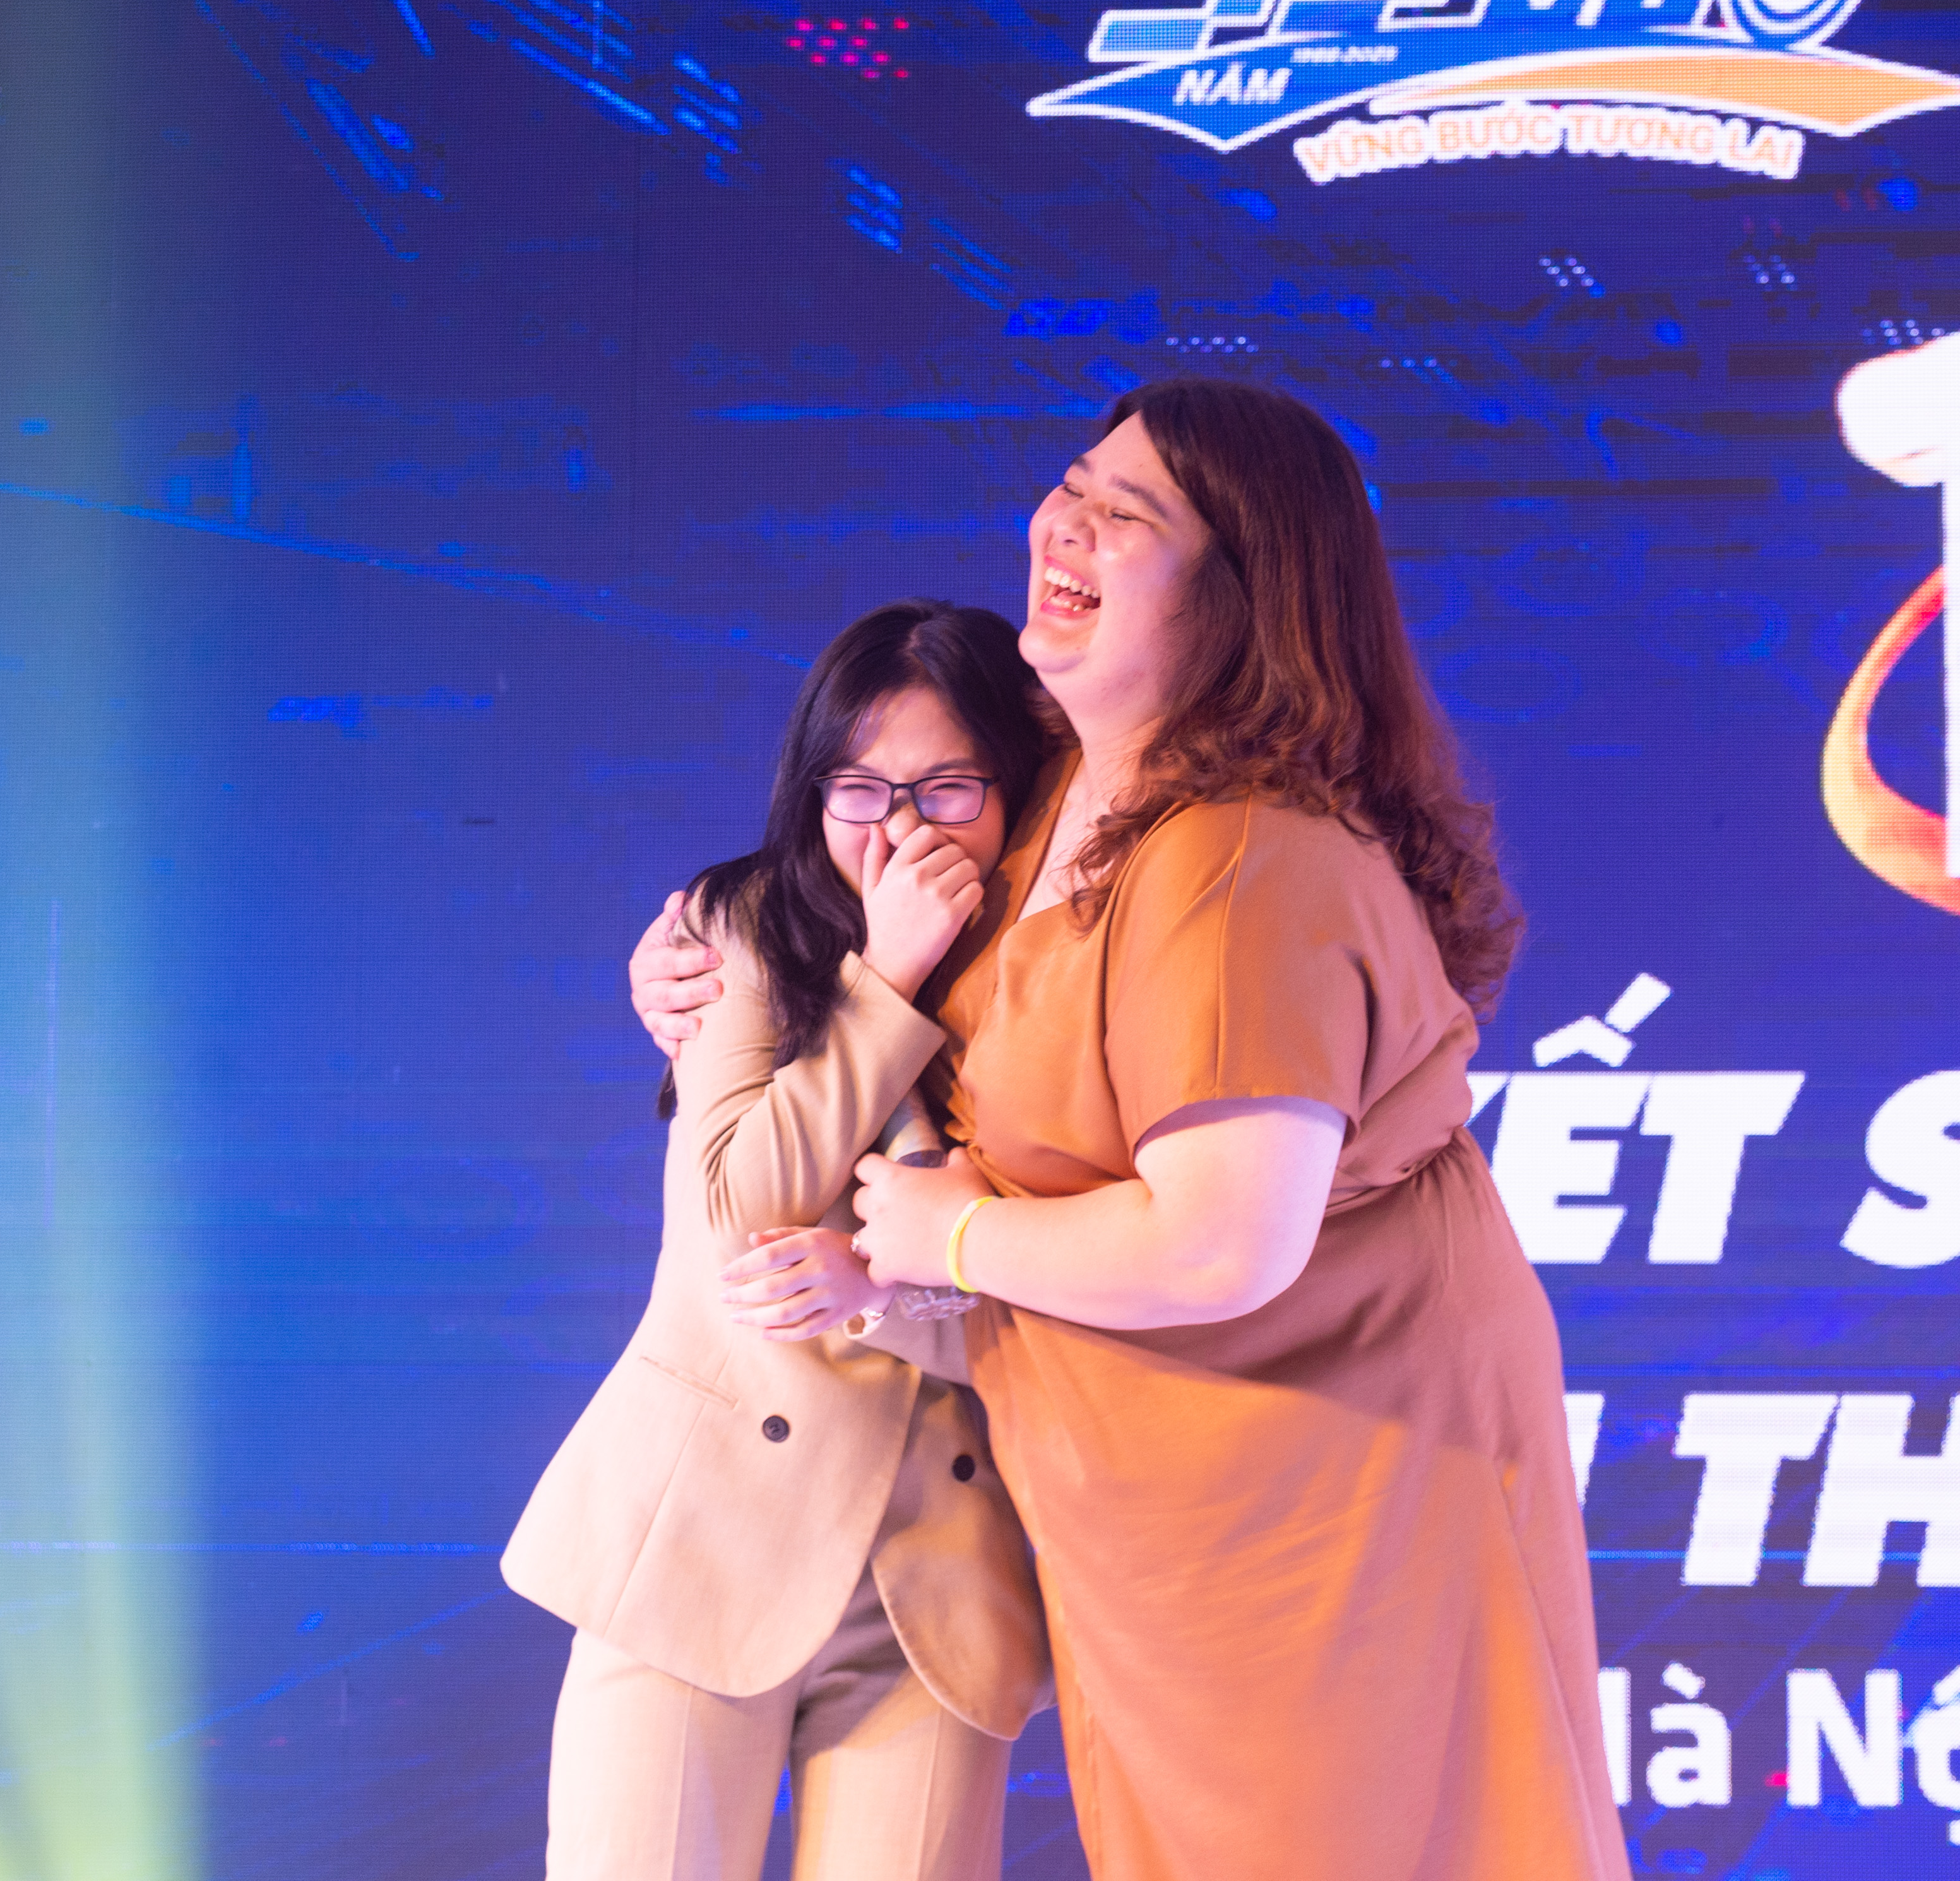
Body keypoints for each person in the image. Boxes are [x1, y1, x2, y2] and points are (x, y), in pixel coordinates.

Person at [655, 381, 1626, 1880]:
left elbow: (1221, 1238)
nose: (1068, 524)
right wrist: (693, 958)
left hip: (1335, 1490)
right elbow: (852, 896)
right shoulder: (1065, 789)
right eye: (1074, 483)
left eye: (1132, 514)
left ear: (1241, 596)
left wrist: (946, 1235)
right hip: (1158, 1500)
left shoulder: (1240, 860)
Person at [504, 598, 1056, 1881]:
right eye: (857, 789)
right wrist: (886, 977)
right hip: (700, 1536)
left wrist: (882, 1291)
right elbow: (739, 1214)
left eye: (947, 787)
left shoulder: (1066, 968)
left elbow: (1079, 1296)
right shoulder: (745, 926)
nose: (899, 828)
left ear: (1017, 784)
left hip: (936, 1577)